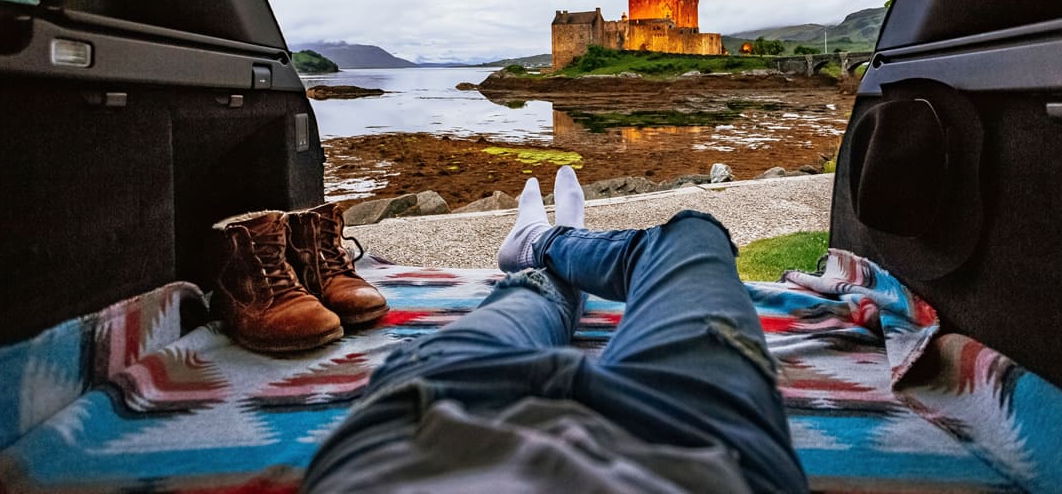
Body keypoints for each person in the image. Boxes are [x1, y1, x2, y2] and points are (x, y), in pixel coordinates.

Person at [303, 165, 808, 493]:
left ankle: (537, 243)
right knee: (695, 233)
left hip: (422, 425)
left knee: (532, 292)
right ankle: (551, 241)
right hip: (708, 452)